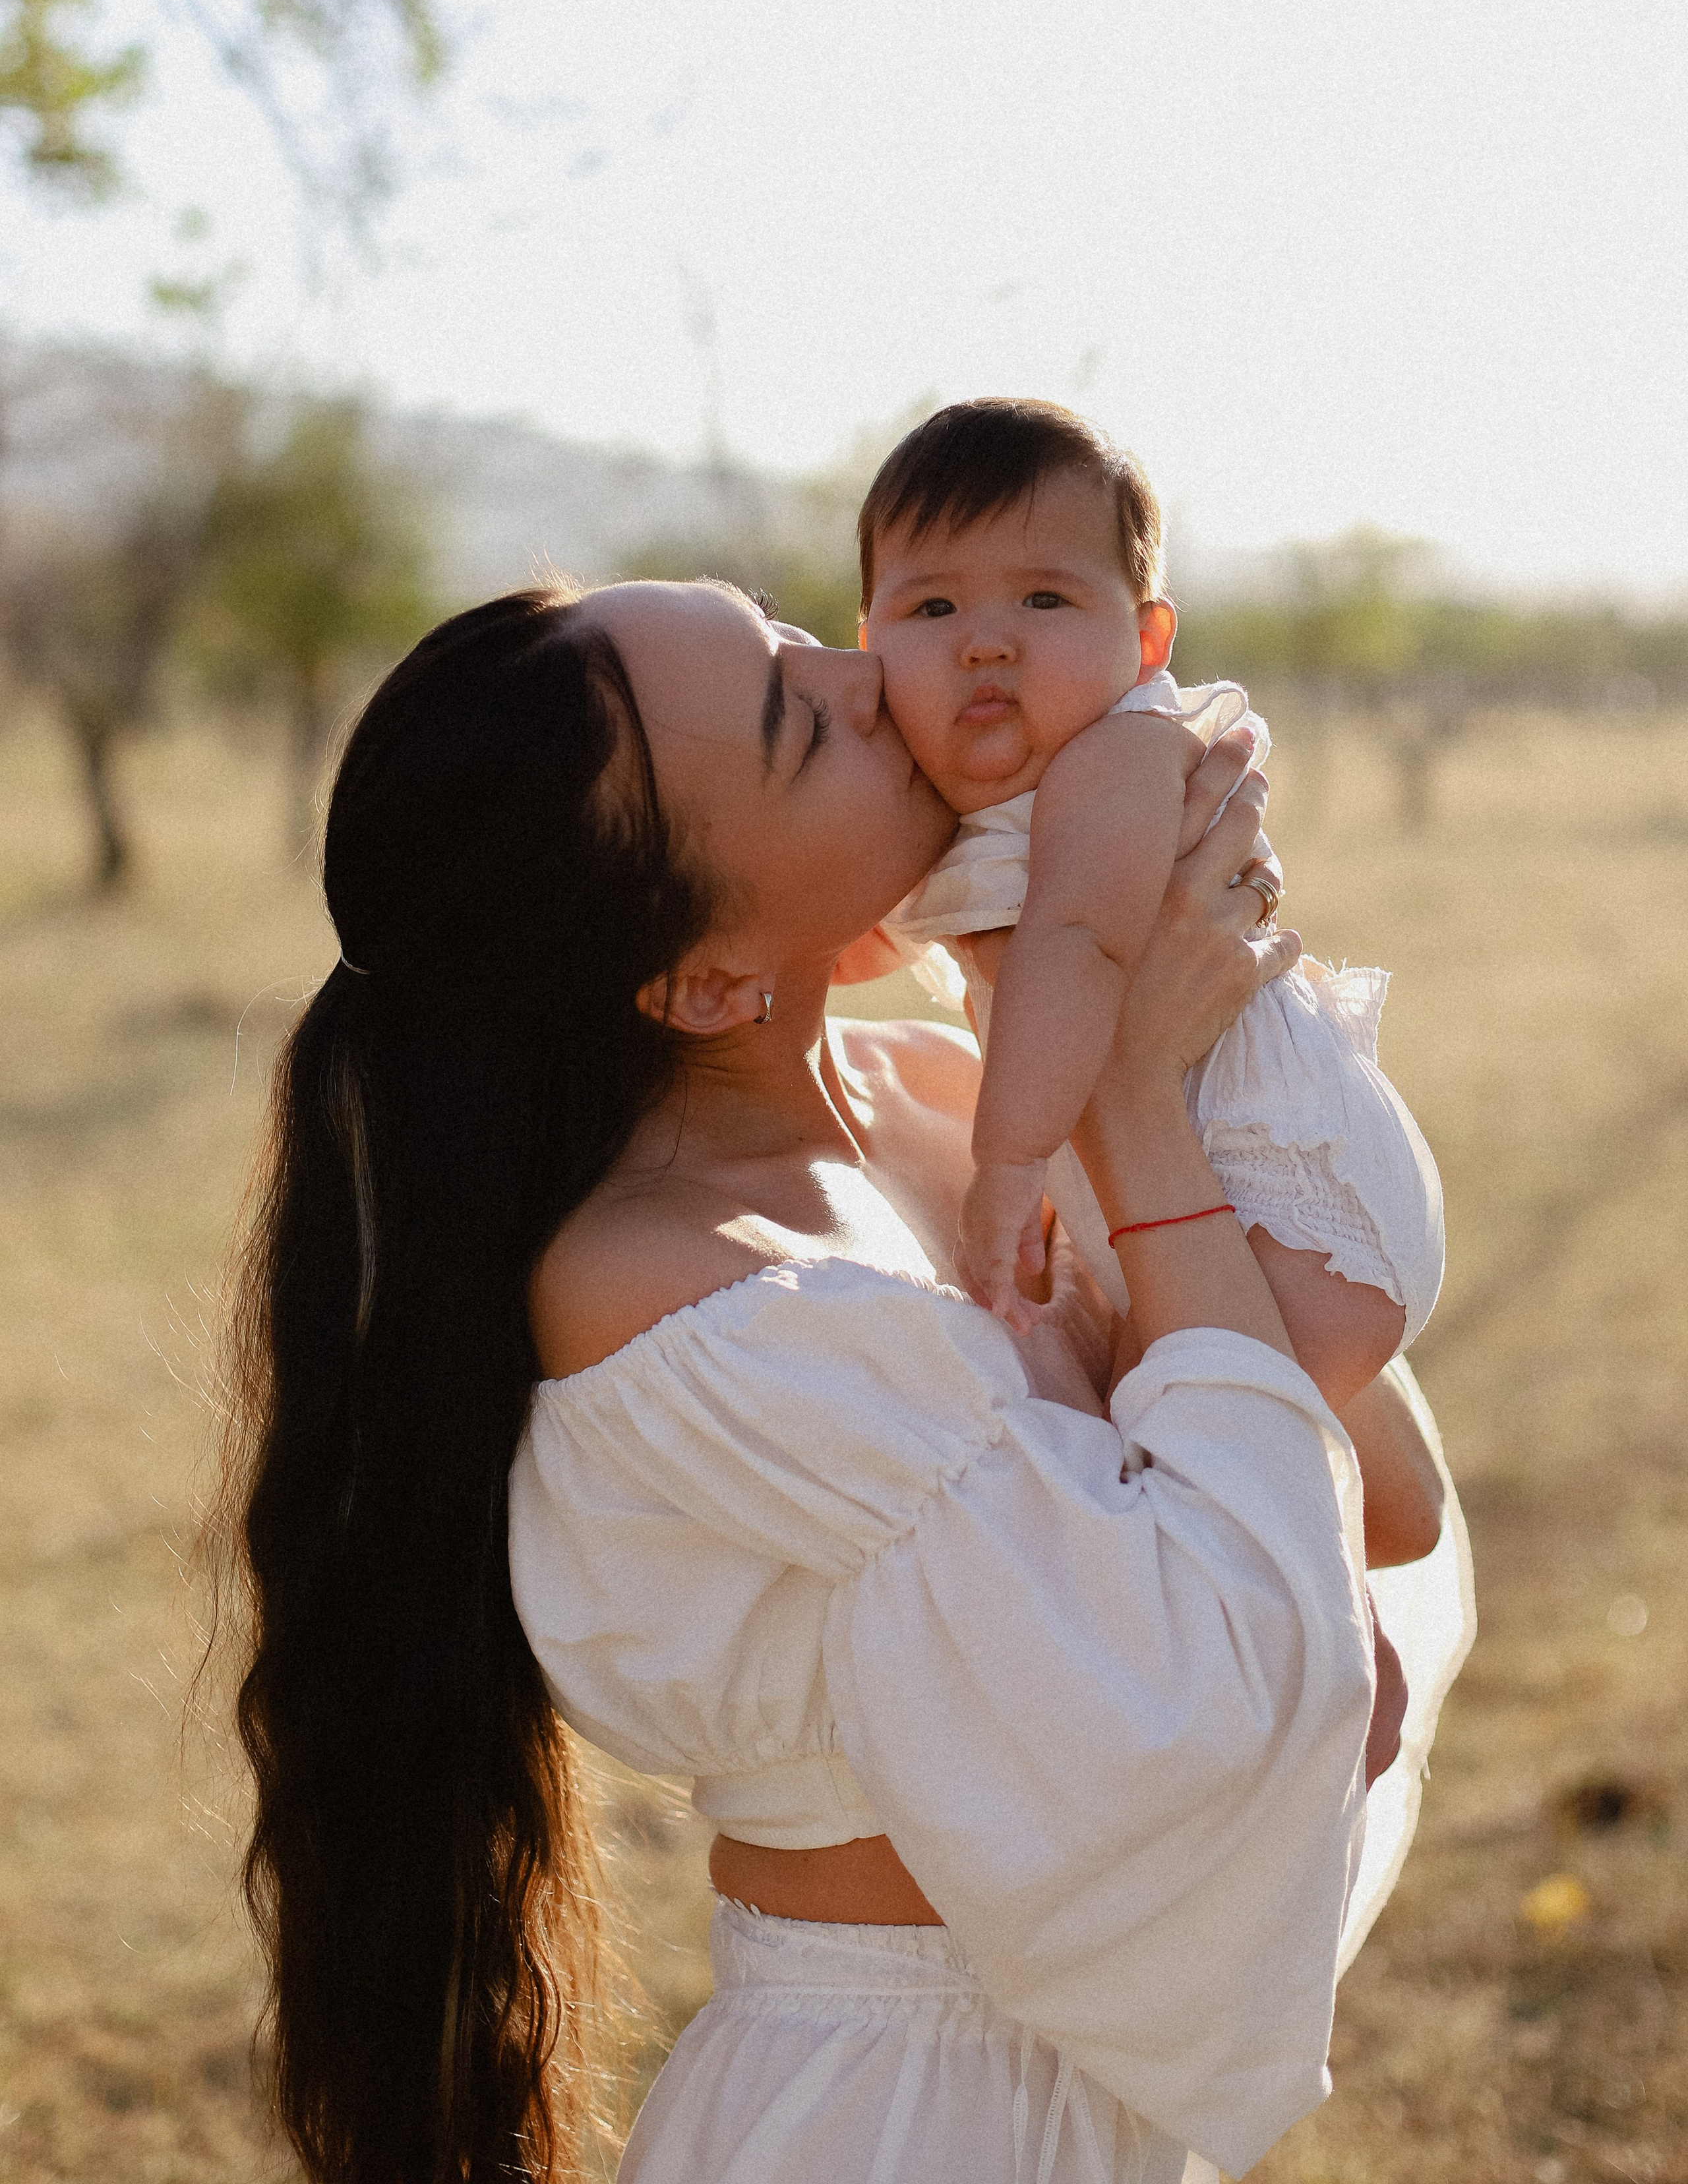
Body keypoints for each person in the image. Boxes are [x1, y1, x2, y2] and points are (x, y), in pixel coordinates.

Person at [215, 576, 1459, 2184]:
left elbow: (1385, 1506)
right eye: (799, 723)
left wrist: (1087, 980)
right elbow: (1252, 1692)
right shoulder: (680, 1295)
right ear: (705, 977)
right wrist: (1136, 1104)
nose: (879, 677)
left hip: (1086, 2113)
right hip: (896, 2114)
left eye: (801, 635)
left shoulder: (938, 1096)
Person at [860, 399, 1444, 1417]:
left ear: (1145, 637)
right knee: (1163, 1453)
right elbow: (863, 932)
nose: (986, 643)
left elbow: (1078, 940)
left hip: (1287, 1219)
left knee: (1180, 1452)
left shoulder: (1120, 755)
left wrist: (1007, 1163)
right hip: (1175, 1205)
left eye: (1043, 600)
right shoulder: (961, 802)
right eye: (934, 610)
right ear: (868, 639)